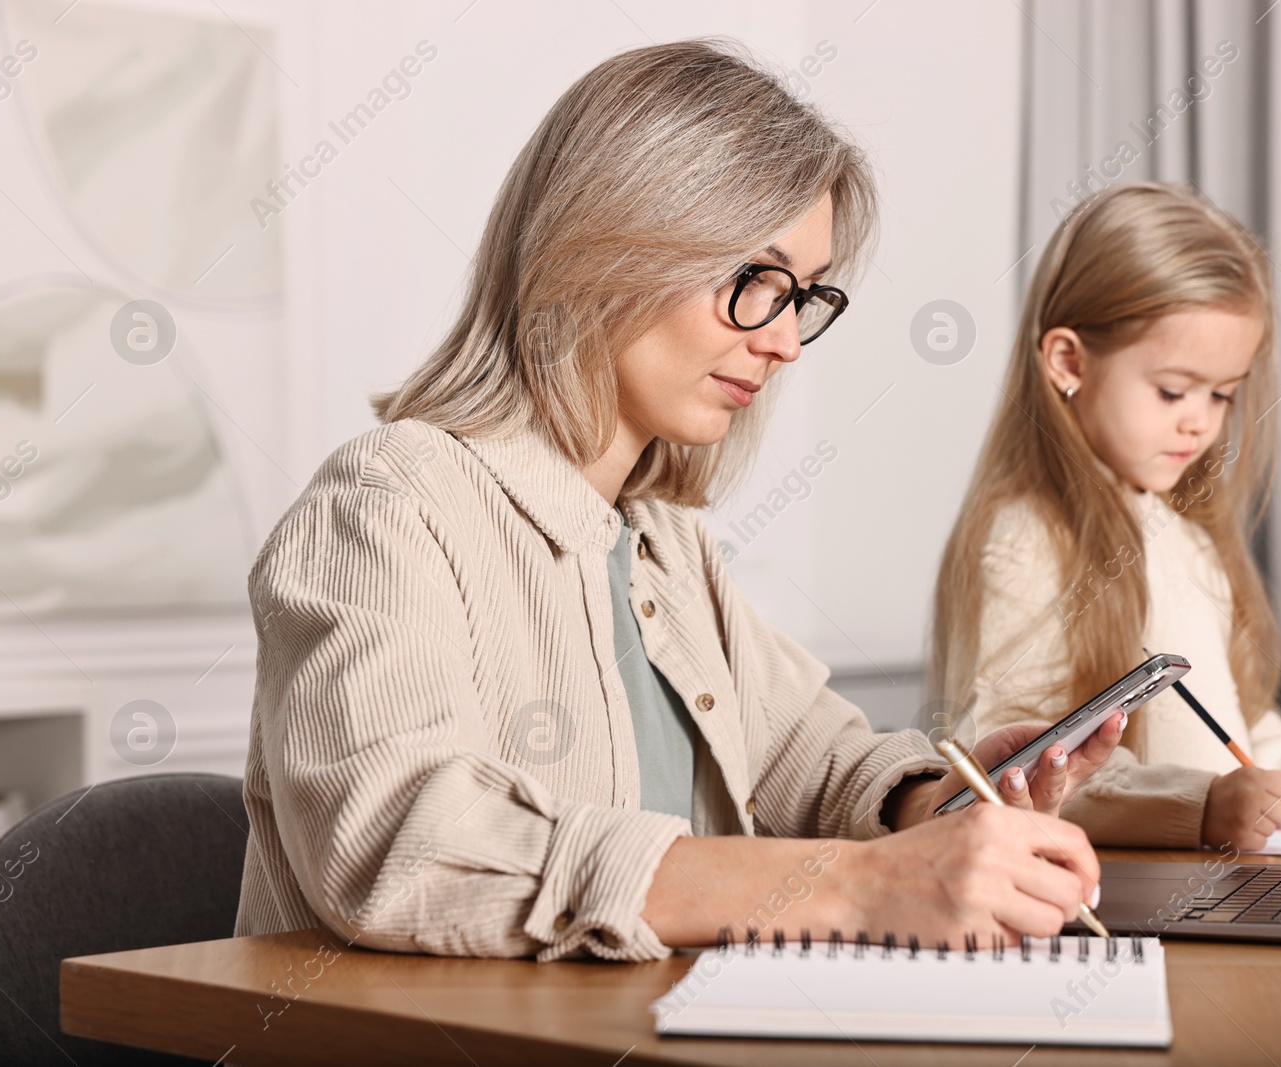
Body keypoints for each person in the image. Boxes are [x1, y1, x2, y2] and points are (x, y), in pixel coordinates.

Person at [234, 40, 1127, 962]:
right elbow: (402, 844)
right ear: (605, 250)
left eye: (804, 297)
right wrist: (861, 887)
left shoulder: (664, 544)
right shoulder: (388, 502)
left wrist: (939, 805)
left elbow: (810, 758)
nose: (784, 343)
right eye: (754, 282)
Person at [930, 183, 1281, 851]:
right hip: (1128, 898)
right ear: (1068, 362)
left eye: (1221, 395)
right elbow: (1028, 768)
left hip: (1222, 877)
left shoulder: (1185, 535)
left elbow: (1236, 716)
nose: (1200, 421)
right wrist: (1201, 806)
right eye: (1172, 390)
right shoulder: (1031, 538)